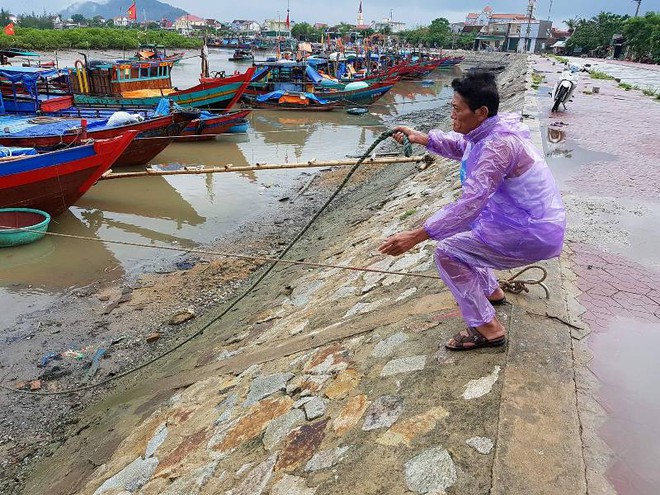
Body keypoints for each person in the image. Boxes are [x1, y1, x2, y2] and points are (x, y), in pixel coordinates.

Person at [378, 71, 565, 350]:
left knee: (447, 252)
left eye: (456, 109)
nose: (452, 115)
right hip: (522, 222)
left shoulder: (498, 146)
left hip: (531, 232)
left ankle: (488, 329)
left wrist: (417, 235)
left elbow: (470, 204)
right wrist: (420, 137)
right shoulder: (489, 133)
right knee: (466, 233)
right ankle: (491, 290)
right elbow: (461, 145)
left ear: (481, 112)